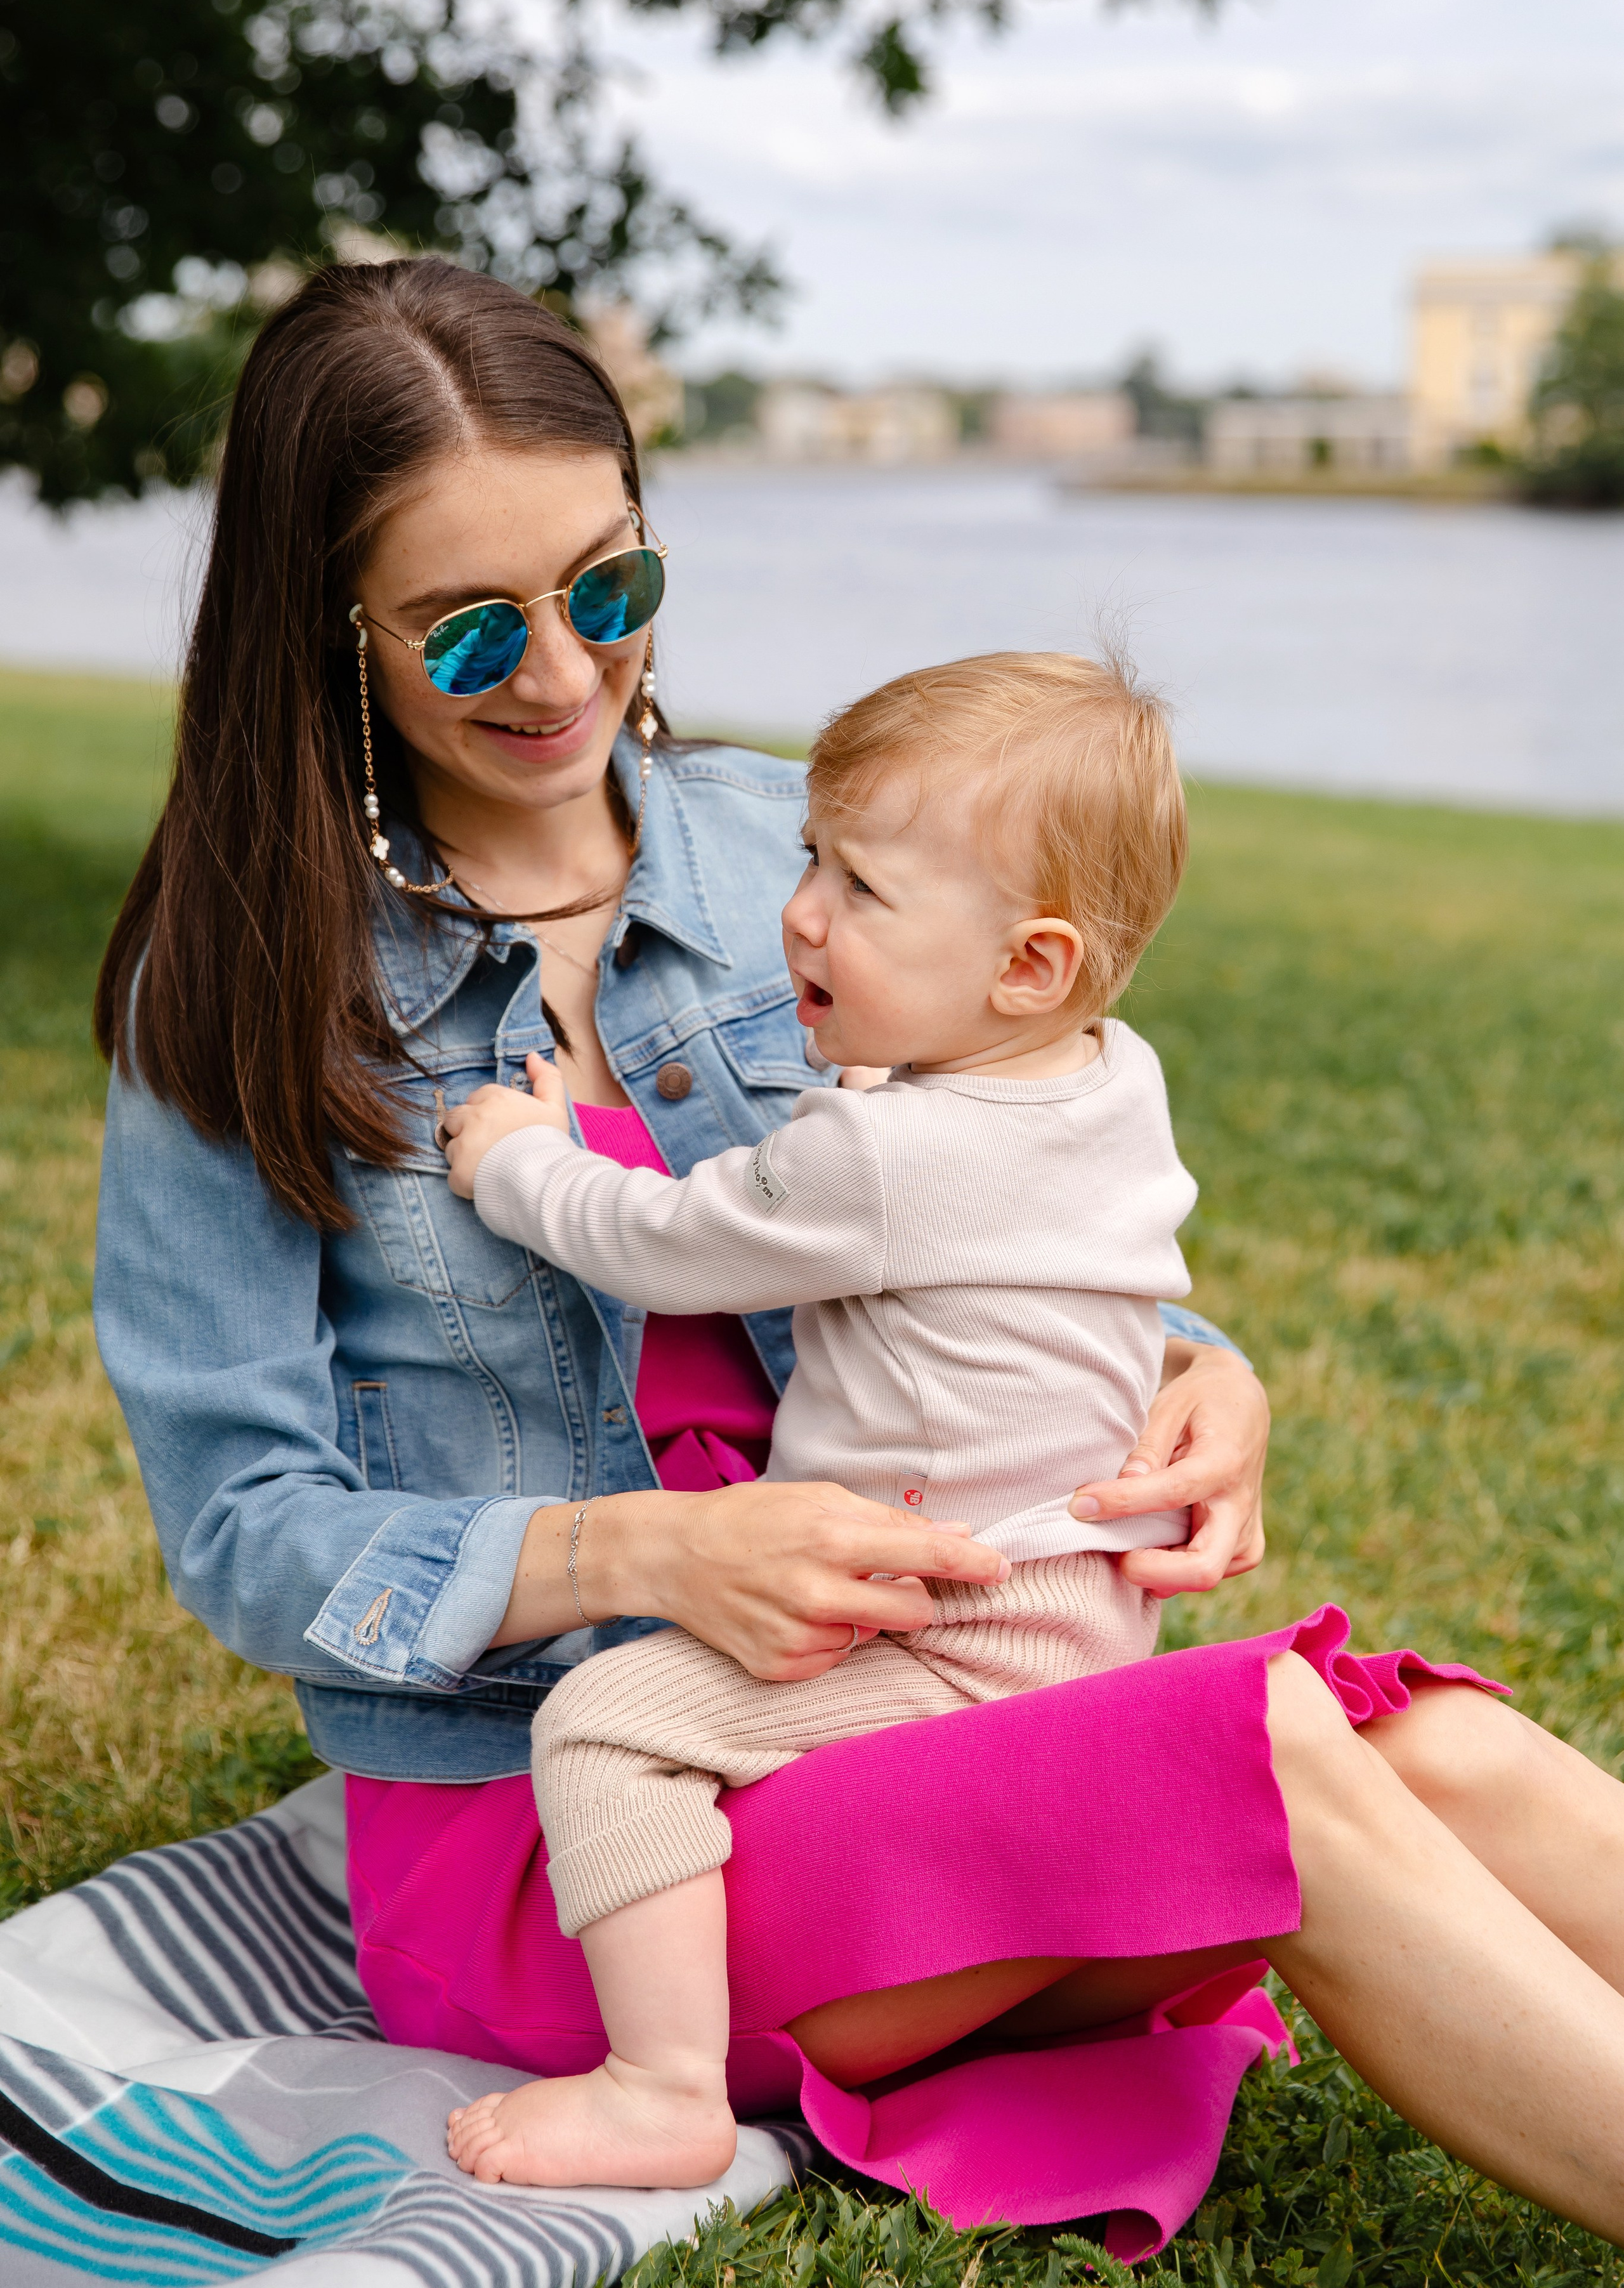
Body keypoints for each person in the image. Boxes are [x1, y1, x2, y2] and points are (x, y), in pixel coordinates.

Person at [91, 255, 1624, 2256]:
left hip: (906, 1698)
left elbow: (992, 1206)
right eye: (472, 629)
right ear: (330, 631)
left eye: (610, 589)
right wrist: (643, 1557)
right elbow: (241, 1531)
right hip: (584, 1839)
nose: (563, 675)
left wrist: (1201, 1367)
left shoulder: (787, 850)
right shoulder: (237, 992)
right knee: (1270, 1759)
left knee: (1436, 1746)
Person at [437, 650, 1203, 2187]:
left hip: (952, 1637)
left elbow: (662, 1240)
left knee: (607, 1725)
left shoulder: (880, 1157)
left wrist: (515, 1157)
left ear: (1028, 967)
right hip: (1081, 1612)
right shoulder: (1109, 1078)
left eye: (860, 887)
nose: (798, 913)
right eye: (808, 857)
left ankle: (661, 2086)